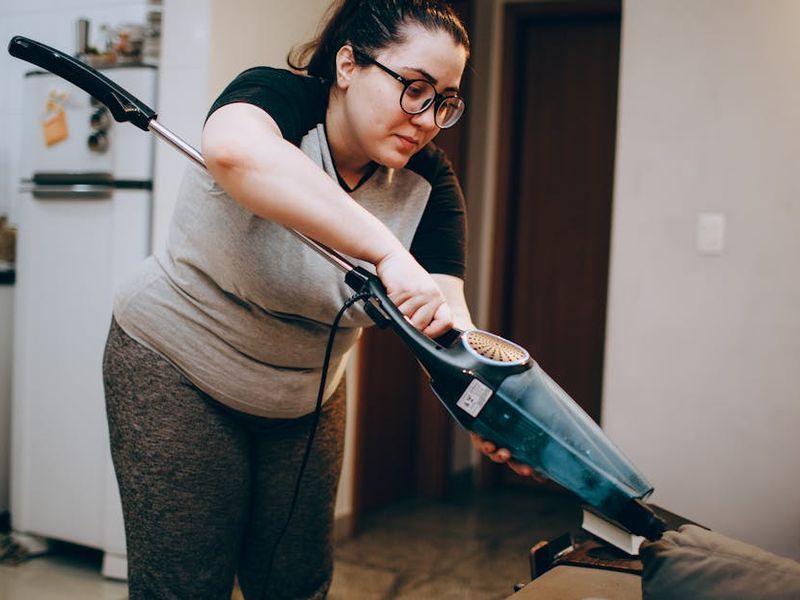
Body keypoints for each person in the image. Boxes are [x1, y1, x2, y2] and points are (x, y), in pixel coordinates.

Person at [103, 1, 533, 598]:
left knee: (296, 583)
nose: (427, 119)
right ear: (349, 64)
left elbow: (445, 320)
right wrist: (386, 252)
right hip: (176, 365)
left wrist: (486, 411)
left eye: (444, 102)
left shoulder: (429, 184)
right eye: (414, 89)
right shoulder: (276, 98)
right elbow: (234, 152)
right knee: (185, 586)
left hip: (306, 393)